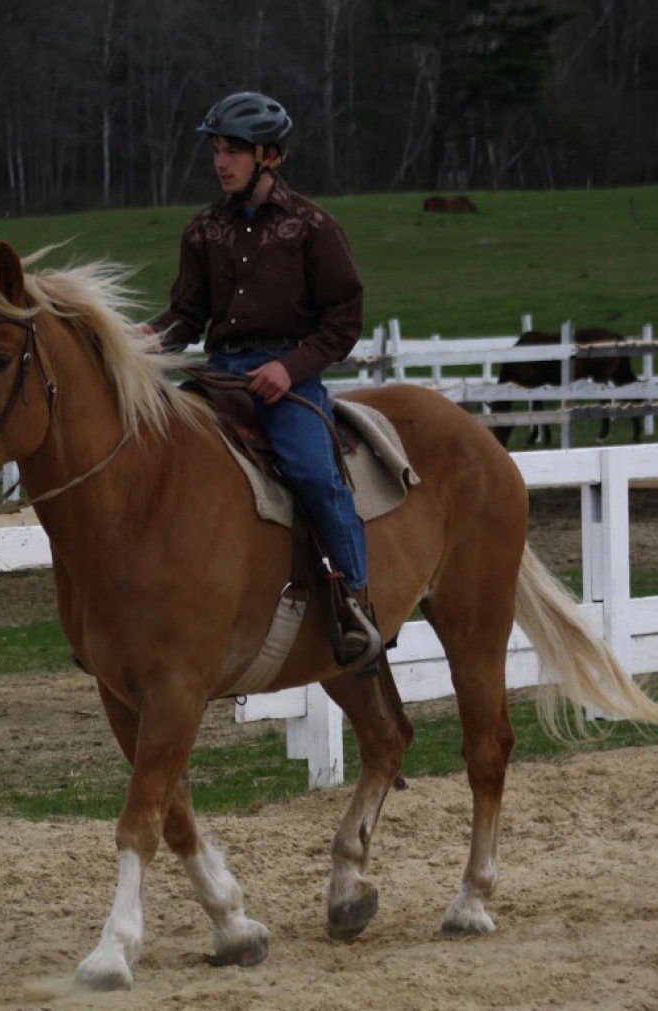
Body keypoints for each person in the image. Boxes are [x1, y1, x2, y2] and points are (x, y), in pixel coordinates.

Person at [150, 91, 380, 668]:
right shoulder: (202, 230)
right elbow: (186, 315)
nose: (220, 162)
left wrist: (290, 368)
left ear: (269, 156)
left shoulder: (312, 227)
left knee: (312, 471)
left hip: (288, 379)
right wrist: (147, 339)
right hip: (219, 377)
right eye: (216, 150)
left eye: (233, 151)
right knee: (154, 451)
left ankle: (355, 601)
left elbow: (343, 321)